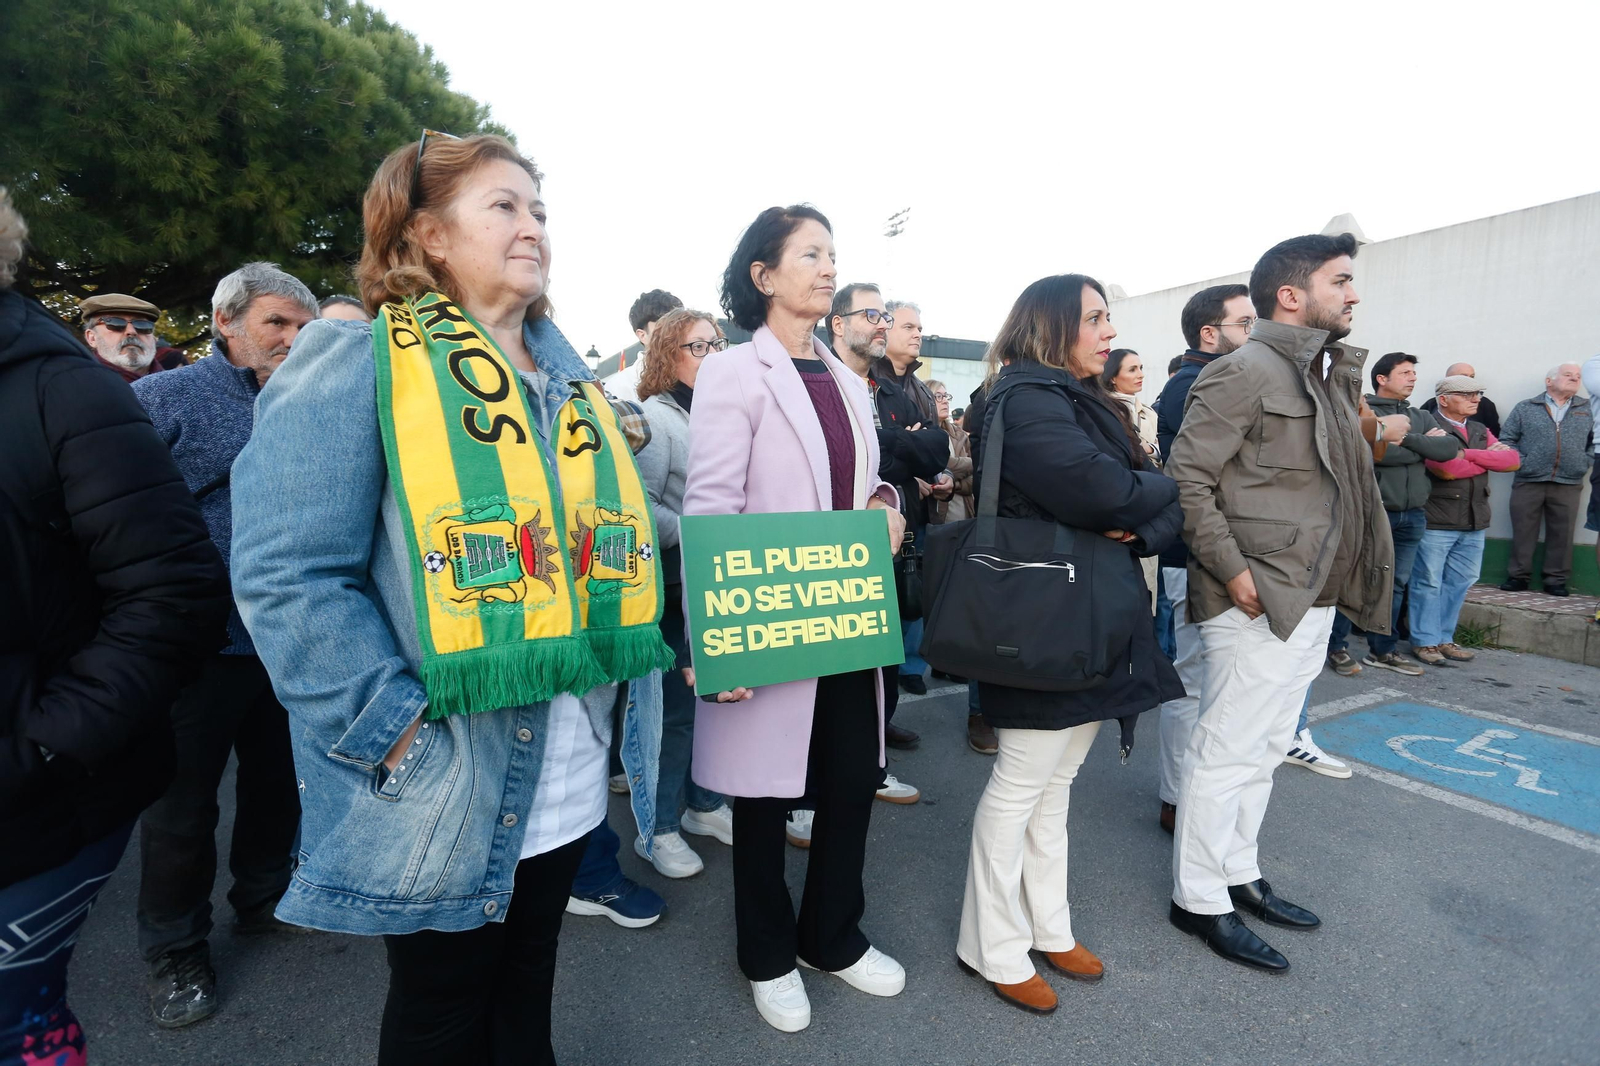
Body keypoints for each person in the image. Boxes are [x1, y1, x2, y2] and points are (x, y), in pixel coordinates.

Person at [230, 133, 673, 1065]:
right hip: (445, 771)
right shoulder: (356, 362)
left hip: (570, 769)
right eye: (504, 207)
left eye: (540, 210)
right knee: (441, 1016)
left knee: (528, 994)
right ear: (427, 234)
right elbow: (288, 576)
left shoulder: (570, 387)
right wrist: (393, 732)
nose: (533, 228)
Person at [0, 188, 230, 1065]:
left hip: (107, 714)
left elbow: (169, 584)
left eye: (145, 325)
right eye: (117, 324)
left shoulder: (71, 395)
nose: (134, 335)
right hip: (147, 670)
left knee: (196, 811)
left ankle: (198, 936)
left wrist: (43, 749)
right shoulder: (167, 393)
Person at [683, 204, 908, 1033]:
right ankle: (768, 954)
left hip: (849, 609)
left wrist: (886, 504)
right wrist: (722, 643)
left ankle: (832, 937)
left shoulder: (849, 379)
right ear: (764, 275)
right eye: (809, 254)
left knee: (852, 780)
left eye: (831, 254)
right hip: (771, 611)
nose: (826, 268)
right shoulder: (735, 373)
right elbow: (709, 507)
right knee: (763, 796)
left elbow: (867, 480)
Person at [954, 274, 1184, 1015]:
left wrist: (1143, 502)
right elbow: (1112, 493)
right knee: (1022, 783)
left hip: (1091, 615)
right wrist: (1147, 495)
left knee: (1057, 786)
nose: (1108, 332)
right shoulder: (1026, 398)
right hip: (1040, 620)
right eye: (1094, 319)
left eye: (1108, 318)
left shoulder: (1083, 400)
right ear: (1052, 326)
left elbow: (1140, 498)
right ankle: (988, 945)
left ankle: (1047, 928)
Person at [1166, 233, 1394, 972]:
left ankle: (1237, 873)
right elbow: (1187, 480)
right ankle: (1199, 898)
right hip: (1257, 597)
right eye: (1342, 280)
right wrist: (1234, 572)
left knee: (1264, 750)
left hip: (1314, 595)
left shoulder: (1327, 376)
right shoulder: (1243, 371)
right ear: (1292, 296)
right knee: (1226, 751)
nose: (1355, 294)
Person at [131, 261, 318, 1027]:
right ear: (225, 322)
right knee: (181, 809)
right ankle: (174, 949)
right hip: (195, 646)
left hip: (287, 641)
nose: (293, 339)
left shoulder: (319, 401)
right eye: (277, 322)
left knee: (276, 786)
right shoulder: (162, 397)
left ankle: (264, 896)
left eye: (304, 327)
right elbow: (117, 511)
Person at [632, 307, 736, 878]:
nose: (713, 356)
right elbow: (639, 509)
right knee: (672, 713)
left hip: (720, 581)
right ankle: (661, 827)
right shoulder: (655, 418)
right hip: (675, 584)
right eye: (699, 347)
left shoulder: (724, 414)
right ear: (668, 354)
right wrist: (700, 531)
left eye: (718, 345)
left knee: (714, 704)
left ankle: (704, 805)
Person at [826, 281, 935, 793]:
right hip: (829, 549)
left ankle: (871, 765)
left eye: (885, 317)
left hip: (889, 541)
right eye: (872, 315)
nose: (883, 325)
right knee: (828, 672)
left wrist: (902, 456)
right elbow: (879, 456)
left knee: (880, 656)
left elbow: (931, 449)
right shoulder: (819, 384)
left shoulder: (894, 388)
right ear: (838, 323)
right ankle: (803, 796)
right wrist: (901, 446)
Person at [1152, 282, 1252, 834]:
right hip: (1195, 556)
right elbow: (1194, 483)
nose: (1254, 334)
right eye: (1244, 324)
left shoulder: (1207, 379)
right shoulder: (1196, 385)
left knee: (1206, 683)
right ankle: (1179, 797)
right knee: (1195, 684)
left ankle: (1185, 795)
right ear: (1209, 333)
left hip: (1203, 553)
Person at [1352, 353, 1462, 671]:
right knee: (1354, 579)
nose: (1412, 378)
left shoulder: (1420, 415)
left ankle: (1382, 650)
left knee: (1396, 584)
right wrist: (1417, 447)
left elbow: (1448, 450)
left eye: (1414, 372)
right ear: (1382, 379)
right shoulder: (1365, 412)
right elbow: (1375, 455)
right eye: (1404, 372)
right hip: (1375, 511)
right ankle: (1337, 647)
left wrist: (1405, 439)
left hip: (1413, 514)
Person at [1411, 375, 1522, 661]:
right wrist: (1485, 458)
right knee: (1429, 582)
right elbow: (1445, 468)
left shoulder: (1480, 429)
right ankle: (1425, 641)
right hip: (1438, 518)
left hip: (1475, 520)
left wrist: (1467, 454)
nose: (1476, 399)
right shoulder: (1429, 425)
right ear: (1444, 399)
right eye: (1467, 393)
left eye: (1478, 393)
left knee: (1460, 581)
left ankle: (1444, 638)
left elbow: (1512, 461)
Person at [882, 298, 949, 699]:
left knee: (913, 592)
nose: (917, 334)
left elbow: (936, 450)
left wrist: (937, 474)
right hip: (881, 514)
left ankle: (909, 667)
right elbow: (877, 454)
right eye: (908, 327)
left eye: (919, 327)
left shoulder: (922, 390)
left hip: (919, 515)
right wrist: (913, 446)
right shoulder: (865, 380)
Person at [927, 377, 996, 756]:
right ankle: (979, 712)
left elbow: (970, 472)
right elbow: (968, 466)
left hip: (970, 514)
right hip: (961, 523)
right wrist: (956, 475)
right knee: (975, 617)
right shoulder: (991, 398)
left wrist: (955, 480)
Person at [1497, 364, 1594, 597]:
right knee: (1523, 529)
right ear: (1549, 381)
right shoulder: (1526, 407)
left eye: (1578, 376)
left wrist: (1583, 461)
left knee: (1563, 531)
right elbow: (1507, 439)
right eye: (1568, 375)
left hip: (1569, 481)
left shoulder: (1588, 409)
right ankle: (1518, 576)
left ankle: (1556, 580)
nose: (1575, 379)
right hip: (1528, 479)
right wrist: (1523, 461)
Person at [1103, 347, 1162, 612]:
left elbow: (1157, 456)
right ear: (1113, 377)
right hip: (1121, 506)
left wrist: (1149, 450)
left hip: (1148, 507)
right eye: (1132, 369)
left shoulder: (1149, 412)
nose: (1140, 375)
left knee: (1149, 592)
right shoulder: (1104, 409)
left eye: (1141, 369)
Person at [79, 291, 164, 383]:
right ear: (92, 338)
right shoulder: (72, 385)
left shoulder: (177, 385)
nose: (131, 331)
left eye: (142, 324)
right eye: (115, 323)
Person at [1420, 362, 1501, 436]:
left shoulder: (1485, 408)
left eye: (1472, 377)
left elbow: (1499, 443)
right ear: (1443, 400)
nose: (1476, 400)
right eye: (1463, 377)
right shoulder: (1429, 407)